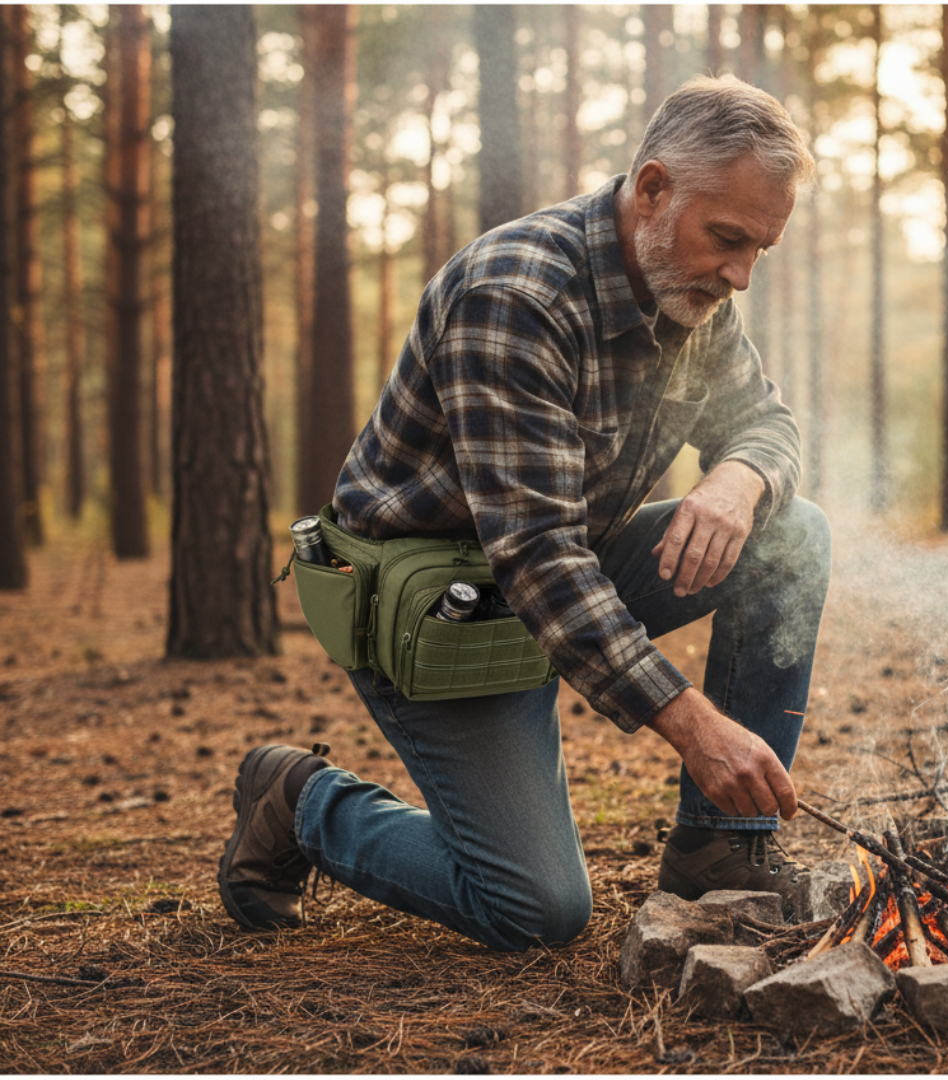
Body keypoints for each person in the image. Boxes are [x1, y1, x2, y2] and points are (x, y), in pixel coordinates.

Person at [218, 75, 831, 949]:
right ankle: (301, 801)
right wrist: (694, 728)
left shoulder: (692, 291)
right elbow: (538, 556)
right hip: (435, 612)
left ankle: (720, 856)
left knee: (793, 533)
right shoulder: (516, 296)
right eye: (727, 239)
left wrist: (740, 476)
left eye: (758, 252)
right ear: (652, 188)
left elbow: (766, 421)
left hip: (562, 574)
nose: (739, 275)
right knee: (536, 911)